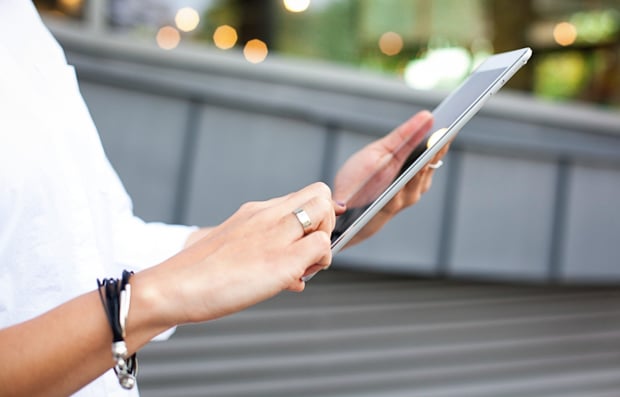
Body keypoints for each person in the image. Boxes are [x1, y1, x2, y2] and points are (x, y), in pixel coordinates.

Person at [0, 1, 450, 396]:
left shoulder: (24, 26)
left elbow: (102, 247)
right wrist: (154, 298)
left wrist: (343, 216)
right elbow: (140, 288)